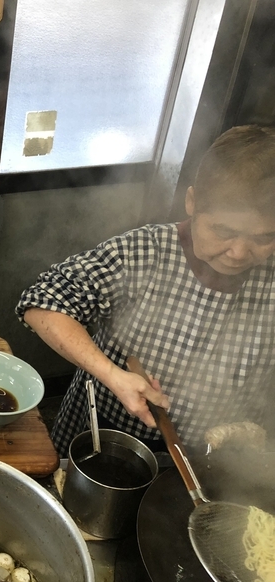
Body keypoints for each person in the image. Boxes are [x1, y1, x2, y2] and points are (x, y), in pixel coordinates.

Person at [16, 125, 275, 456]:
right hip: (101, 439)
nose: (239, 252)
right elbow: (42, 303)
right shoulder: (144, 251)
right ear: (193, 202)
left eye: (264, 237)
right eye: (223, 230)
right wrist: (113, 375)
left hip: (216, 459)